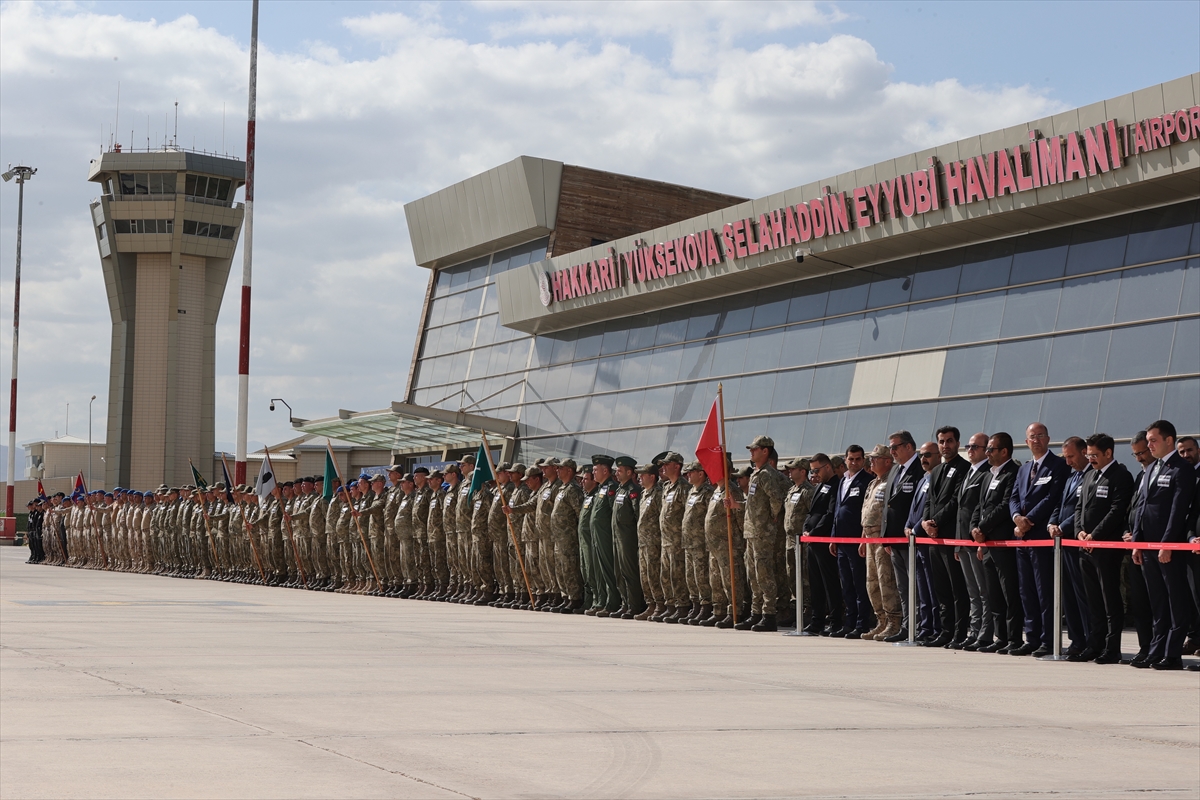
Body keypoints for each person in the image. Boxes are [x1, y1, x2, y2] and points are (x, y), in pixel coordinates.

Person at [1132, 420, 1197, 670]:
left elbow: (1178, 511)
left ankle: (1172, 654)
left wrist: (1167, 543)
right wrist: (1136, 543)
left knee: (1174, 600)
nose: (1149, 445)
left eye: (1153, 440)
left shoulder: (1181, 469)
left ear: (1169, 440)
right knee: (1157, 600)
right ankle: (1156, 650)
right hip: (1147, 547)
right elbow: (1141, 508)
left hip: (1169, 547)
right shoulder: (1150, 469)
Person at [1008, 422, 1069, 657]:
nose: (1036, 440)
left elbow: (1053, 498)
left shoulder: (1059, 465)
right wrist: (1016, 517)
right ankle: (1032, 637)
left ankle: (1048, 639)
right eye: (1032, 437)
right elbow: (1014, 497)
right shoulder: (1023, 469)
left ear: (1048, 438)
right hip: (1023, 538)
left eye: (1040, 436)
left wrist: (1028, 520)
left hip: (1041, 536)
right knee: (1027, 591)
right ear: (1026, 442)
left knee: (1045, 591)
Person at [1075, 433, 1136, 664]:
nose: (1090, 459)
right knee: (1093, 601)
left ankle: (1112, 648)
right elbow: (1080, 506)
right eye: (1088, 455)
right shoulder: (1089, 474)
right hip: (1085, 548)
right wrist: (1080, 530)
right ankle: (1095, 644)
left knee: (1110, 599)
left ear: (1108, 453)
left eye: (1094, 455)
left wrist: (1095, 535)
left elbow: (1117, 510)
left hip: (1106, 549)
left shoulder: (1121, 476)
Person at [726, 435, 788, 632]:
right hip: (752, 531)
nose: (751, 452)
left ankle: (769, 615)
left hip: (762, 532)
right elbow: (756, 504)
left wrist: (772, 518)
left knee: (764, 574)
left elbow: (776, 499)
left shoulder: (767, 474)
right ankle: (756, 613)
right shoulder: (756, 474)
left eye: (755, 449)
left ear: (765, 451)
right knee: (753, 574)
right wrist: (738, 505)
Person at [971, 432, 1022, 654]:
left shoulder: (1013, 473)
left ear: (1004, 451)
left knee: (1009, 592)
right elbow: (979, 506)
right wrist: (975, 529)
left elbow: (1004, 507)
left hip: (1003, 543)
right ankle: (999, 636)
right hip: (987, 543)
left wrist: (982, 528)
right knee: (994, 594)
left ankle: (1014, 638)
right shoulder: (988, 475)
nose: (987, 453)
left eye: (991, 449)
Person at [920, 426, 970, 648]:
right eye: (941, 441)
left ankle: (959, 633)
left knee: (956, 588)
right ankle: (945, 630)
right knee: (941, 589)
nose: (945, 445)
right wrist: (925, 521)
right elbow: (930, 500)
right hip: (934, 538)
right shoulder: (937, 470)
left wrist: (935, 522)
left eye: (949, 441)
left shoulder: (964, 468)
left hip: (950, 536)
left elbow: (955, 501)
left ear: (957, 443)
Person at [1048, 437, 1092, 656]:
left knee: (1082, 594)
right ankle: (1076, 640)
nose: (1068, 462)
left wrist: (1063, 527)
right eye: (1065, 457)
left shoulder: (1090, 476)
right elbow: (1061, 503)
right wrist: (1052, 523)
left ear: (1084, 452)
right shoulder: (1071, 476)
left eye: (1071, 457)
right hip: (1062, 544)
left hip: (1077, 542)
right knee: (1068, 595)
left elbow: (1079, 509)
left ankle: (1089, 639)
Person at [882, 430, 923, 641]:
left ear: (908, 446)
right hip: (894, 540)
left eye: (895, 447)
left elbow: (919, 505)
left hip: (911, 539)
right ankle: (907, 626)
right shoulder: (895, 470)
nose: (892, 451)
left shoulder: (919, 469)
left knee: (915, 586)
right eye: (890, 447)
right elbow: (887, 504)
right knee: (902, 587)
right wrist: (885, 535)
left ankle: (918, 627)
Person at [859, 446, 901, 640]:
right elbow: (867, 511)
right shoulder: (873, 483)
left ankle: (894, 622)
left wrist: (888, 536)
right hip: (869, 538)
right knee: (872, 582)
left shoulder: (891, 481)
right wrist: (862, 538)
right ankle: (881, 621)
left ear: (887, 461)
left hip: (882, 537)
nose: (871, 461)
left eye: (876, 458)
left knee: (886, 581)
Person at [957, 433, 993, 651]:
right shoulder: (969, 472)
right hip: (963, 540)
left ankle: (985, 633)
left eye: (975, 446)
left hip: (978, 540)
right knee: (973, 592)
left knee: (984, 591)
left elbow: (981, 508)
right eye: (968, 446)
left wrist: (980, 540)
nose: (970, 450)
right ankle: (974, 630)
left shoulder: (987, 472)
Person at [832, 445, 872, 638]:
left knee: (859, 584)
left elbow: (867, 513)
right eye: (851, 459)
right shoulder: (843, 481)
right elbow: (837, 510)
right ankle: (849, 621)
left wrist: (863, 539)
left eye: (858, 459)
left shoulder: (867, 481)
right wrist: (833, 537)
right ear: (845, 460)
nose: (854, 462)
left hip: (857, 541)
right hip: (841, 540)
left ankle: (862, 623)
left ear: (863, 460)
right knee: (846, 584)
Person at [801, 453, 840, 635]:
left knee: (829, 583)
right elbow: (812, 512)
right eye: (811, 470)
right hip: (812, 541)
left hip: (824, 541)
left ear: (827, 467)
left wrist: (815, 532)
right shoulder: (820, 487)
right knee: (815, 583)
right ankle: (816, 621)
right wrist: (806, 528)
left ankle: (835, 621)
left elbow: (830, 514)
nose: (813, 474)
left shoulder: (836, 485)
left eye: (816, 470)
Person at [655, 453, 689, 623]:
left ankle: (682, 607)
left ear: (677, 466)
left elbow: (687, 514)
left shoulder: (684, 487)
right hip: (665, 540)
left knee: (677, 575)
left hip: (677, 540)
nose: (663, 468)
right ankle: (670, 606)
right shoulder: (667, 487)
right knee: (666, 575)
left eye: (667, 464)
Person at [610, 456, 644, 618]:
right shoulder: (620, 490)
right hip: (617, 536)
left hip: (628, 537)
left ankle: (634, 605)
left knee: (629, 572)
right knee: (619, 571)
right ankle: (625, 603)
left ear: (629, 472)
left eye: (620, 470)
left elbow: (637, 516)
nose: (617, 472)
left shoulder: (633, 491)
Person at [682, 461, 714, 624]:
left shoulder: (707, 492)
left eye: (691, 472)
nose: (688, 475)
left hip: (700, 542)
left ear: (701, 474)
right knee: (691, 576)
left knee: (701, 575)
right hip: (688, 541)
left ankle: (705, 606)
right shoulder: (691, 491)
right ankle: (695, 605)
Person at [634, 463, 665, 621]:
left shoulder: (658, 493)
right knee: (645, 575)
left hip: (654, 542)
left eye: (643, 475)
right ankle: (650, 605)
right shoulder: (645, 493)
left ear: (652, 477)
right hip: (643, 541)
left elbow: (662, 517)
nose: (640, 478)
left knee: (654, 574)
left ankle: (660, 605)